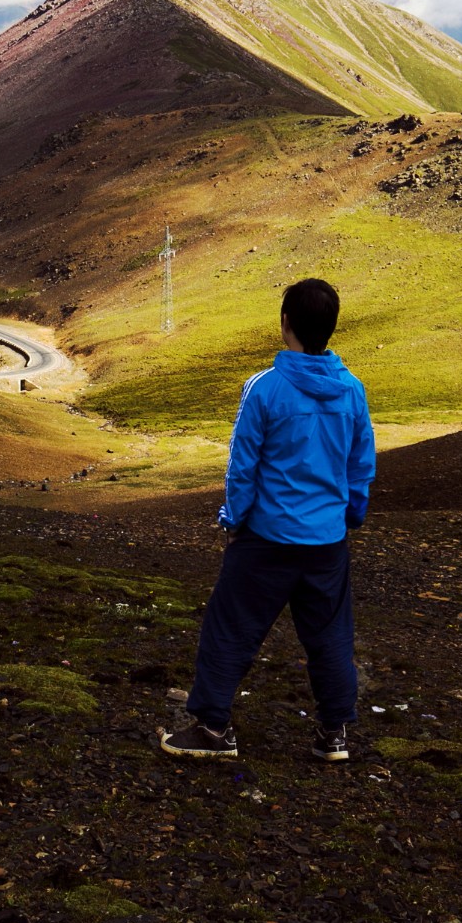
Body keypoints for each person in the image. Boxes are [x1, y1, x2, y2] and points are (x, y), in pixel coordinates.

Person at [161, 278, 376, 762]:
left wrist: (233, 520)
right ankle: (333, 736)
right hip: (326, 542)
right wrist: (349, 517)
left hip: (266, 539)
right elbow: (361, 465)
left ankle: (213, 730)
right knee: (330, 636)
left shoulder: (264, 388)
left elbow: (243, 464)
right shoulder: (352, 391)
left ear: (285, 323)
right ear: (331, 326)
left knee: (231, 627)